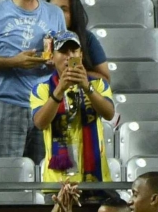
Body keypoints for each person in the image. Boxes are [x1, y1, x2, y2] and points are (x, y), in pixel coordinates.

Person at [0, 0, 66, 163]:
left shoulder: (55, 13)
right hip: (7, 104)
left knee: (47, 176)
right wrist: (15, 61)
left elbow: (64, 55)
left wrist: (54, 61)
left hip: (45, 104)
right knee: (4, 174)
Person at [32, 31, 114, 184]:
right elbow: (40, 123)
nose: (69, 56)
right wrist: (59, 90)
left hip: (96, 179)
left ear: (81, 55)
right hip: (58, 182)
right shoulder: (42, 89)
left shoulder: (98, 84)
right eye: (63, 51)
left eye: (74, 50)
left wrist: (87, 87)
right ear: (52, 57)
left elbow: (109, 114)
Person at [47, 0, 110, 82]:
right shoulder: (39, 36)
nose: (58, 14)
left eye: (63, 10)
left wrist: (77, 73)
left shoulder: (87, 38)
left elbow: (106, 80)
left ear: (74, 13)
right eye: (54, 10)